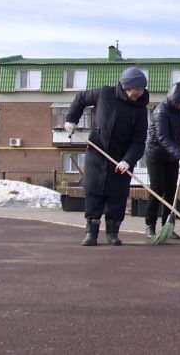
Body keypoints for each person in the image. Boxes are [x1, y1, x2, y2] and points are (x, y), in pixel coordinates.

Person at [64, 66, 149, 246]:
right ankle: (91, 232)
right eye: (137, 89)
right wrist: (72, 119)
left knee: (118, 194)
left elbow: (139, 140)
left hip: (121, 158)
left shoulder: (141, 109)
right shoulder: (105, 94)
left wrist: (129, 160)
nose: (139, 93)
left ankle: (113, 232)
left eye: (142, 90)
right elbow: (80, 99)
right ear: (126, 86)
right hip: (97, 151)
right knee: (93, 190)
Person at [143, 81, 180, 238]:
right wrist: (179, 155)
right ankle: (150, 225)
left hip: (171, 155)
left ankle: (168, 226)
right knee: (157, 189)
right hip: (156, 154)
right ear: (174, 99)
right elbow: (162, 138)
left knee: (171, 191)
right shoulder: (161, 112)